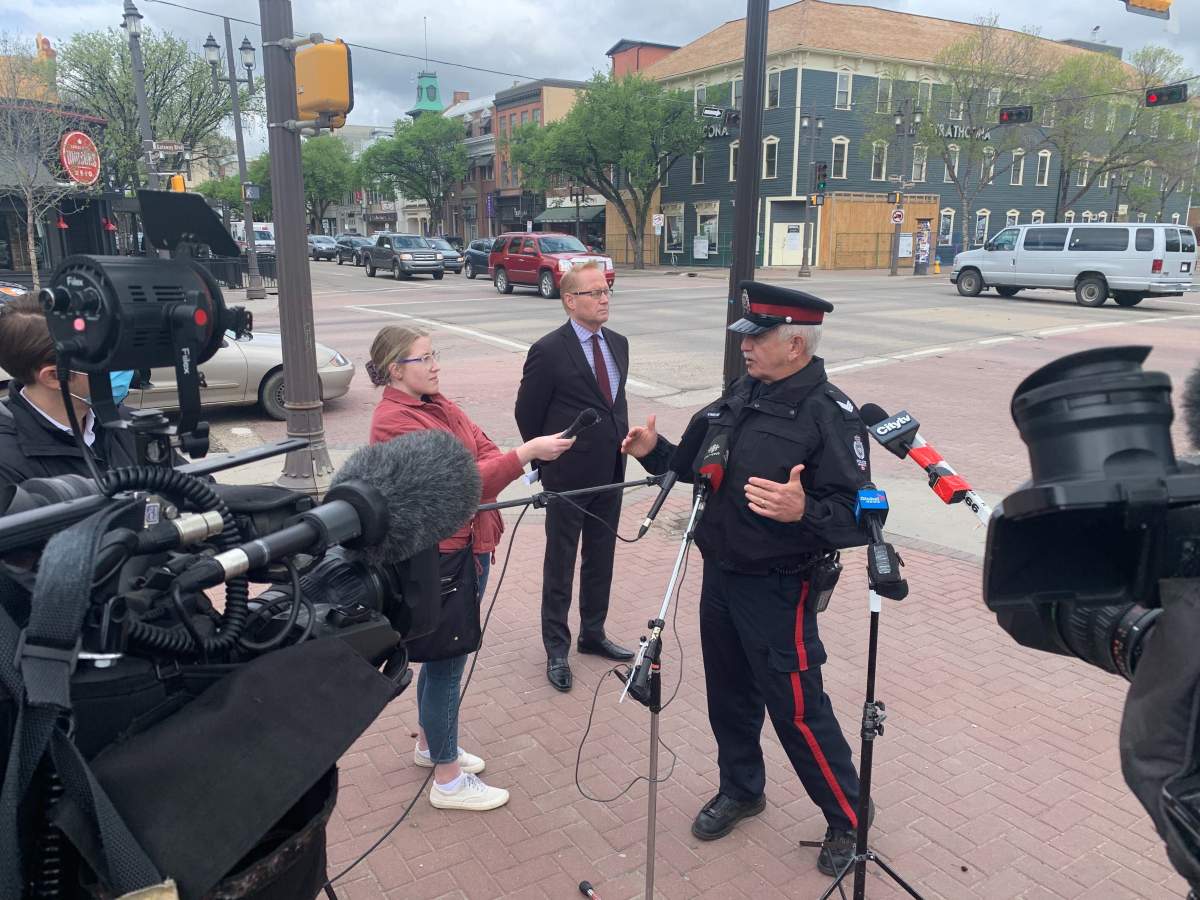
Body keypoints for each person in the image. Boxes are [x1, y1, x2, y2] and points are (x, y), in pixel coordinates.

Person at [621, 282, 873, 876]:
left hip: (781, 586)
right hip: (722, 576)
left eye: (757, 338)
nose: (746, 349)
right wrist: (656, 452)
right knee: (729, 697)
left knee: (798, 708)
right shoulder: (742, 395)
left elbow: (864, 515)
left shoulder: (830, 415)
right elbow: (698, 466)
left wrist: (802, 511)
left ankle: (849, 815)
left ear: (795, 343)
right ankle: (742, 787)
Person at [366, 324, 575, 811]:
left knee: (443, 657)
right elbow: (463, 481)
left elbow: (482, 451)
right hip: (441, 555)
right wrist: (523, 454)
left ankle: (429, 745)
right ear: (396, 369)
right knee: (446, 661)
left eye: (434, 354)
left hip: (469, 545)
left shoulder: (438, 405)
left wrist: (507, 461)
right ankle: (448, 779)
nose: (436, 364)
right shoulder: (393, 421)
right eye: (425, 358)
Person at [514, 261, 634, 693]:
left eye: (607, 292)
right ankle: (556, 647)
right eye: (594, 293)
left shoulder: (618, 343)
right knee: (560, 563)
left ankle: (593, 633)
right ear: (570, 300)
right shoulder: (549, 350)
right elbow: (527, 413)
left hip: (611, 472)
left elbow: (613, 405)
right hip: (567, 475)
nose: (604, 299)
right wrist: (547, 460)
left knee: (601, 558)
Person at [0, 293, 137, 490]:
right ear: (54, 376)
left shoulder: (130, 424)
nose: (120, 365)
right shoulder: (7, 463)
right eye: (102, 358)